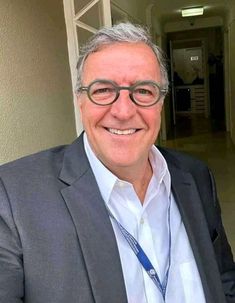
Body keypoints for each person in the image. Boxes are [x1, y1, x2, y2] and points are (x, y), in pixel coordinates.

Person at [0, 22, 234, 303]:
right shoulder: (13, 197)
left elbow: (223, 278)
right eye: (103, 90)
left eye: (144, 91)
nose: (123, 111)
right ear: (80, 100)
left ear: (161, 101)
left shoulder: (195, 176)